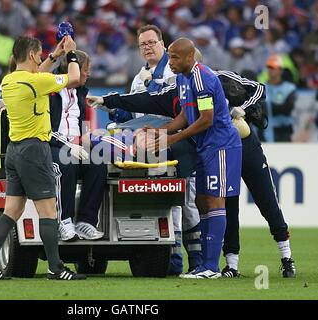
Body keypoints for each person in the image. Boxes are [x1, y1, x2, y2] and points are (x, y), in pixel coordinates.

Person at [88, 38, 243, 279]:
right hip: (205, 147)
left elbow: (206, 119)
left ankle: (212, 267)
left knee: (214, 202)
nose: (169, 62)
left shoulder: (202, 78)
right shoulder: (183, 79)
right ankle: (204, 265)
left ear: (190, 57)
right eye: (169, 56)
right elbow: (184, 114)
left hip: (220, 146)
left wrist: (172, 139)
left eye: (175, 57)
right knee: (202, 201)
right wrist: (163, 130)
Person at [0, 35, 85, 281]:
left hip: (14, 151)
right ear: (31, 55)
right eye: (39, 55)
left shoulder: (10, 80)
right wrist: (70, 54)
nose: (41, 59)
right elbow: (75, 78)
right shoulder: (37, 82)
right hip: (35, 150)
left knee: (11, 211)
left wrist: (53, 56)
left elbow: (36, 76)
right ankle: (55, 268)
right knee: (48, 210)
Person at [105, 24, 202, 275]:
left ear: (163, 44)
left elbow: (170, 106)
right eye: (143, 44)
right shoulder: (139, 77)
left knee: (186, 201)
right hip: (149, 146)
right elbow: (135, 110)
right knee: (163, 202)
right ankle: (173, 261)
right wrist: (113, 109)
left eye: (151, 42)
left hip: (179, 143)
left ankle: (198, 262)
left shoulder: (175, 72)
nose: (147, 47)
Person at [193, 48, 296, 278]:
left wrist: (243, 109)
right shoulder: (187, 87)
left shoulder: (219, 77)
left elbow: (259, 88)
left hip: (245, 144)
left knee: (267, 200)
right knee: (228, 206)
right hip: (221, 150)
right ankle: (232, 265)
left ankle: (286, 257)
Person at [50, 50, 106, 241]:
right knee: (67, 164)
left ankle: (86, 222)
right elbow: (44, 129)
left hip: (74, 145)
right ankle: (64, 221)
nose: (88, 73)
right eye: (85, 70)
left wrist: (87, 136)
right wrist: (67, 145)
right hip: (50, 145)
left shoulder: (81, 93)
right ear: (72, 69)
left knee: (98, 164)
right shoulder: (50, 91)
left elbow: (80, 123)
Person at [261, 54, 296, 142]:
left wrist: (267, 106)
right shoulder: (261, 87)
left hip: (283, 132)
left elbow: (287, 108)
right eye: (269, 67)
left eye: (273, 67)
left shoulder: (289, 88)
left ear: (280, 70)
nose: (270, 70)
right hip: (264, 131)